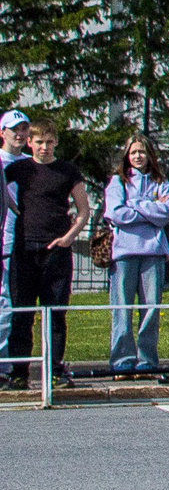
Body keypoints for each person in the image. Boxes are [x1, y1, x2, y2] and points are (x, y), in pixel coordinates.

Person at [3, 119, 92, 388]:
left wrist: (68, 238)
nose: (44, 148)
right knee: (22, 313)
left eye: (49, 142)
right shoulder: (18, 169)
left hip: (56, 251)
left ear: (56, 143)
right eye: (39, 142)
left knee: (54, 312)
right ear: (30, 142)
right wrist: (11, 205)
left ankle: (54, 369)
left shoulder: (67, 171)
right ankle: (19, 372)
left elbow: (84, 210)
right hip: (25, 249)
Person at [98, 135, 169, 377]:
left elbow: (166, 213)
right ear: (126, 155)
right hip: (124, 254)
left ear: (149, 155)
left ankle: (146, 361)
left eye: (142, 152)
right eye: (133, 152)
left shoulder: (161, 183)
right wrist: (149, 208)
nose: (138, 156)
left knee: (150, 309)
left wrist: (135, 204)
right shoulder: (117, 182)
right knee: (122, 308)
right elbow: (115, 213)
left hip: (152, 253)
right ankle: (122, 360)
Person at [0, 109, 24, 364]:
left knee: (16, 302)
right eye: (13, 129)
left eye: (23, 129)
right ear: (2, 132)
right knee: (4, 301)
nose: (19, 134)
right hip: (4, 239)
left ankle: (10, 363)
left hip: (26, 240)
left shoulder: (31, 163)